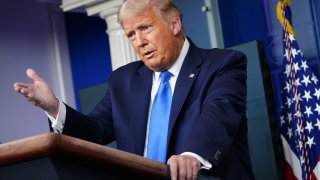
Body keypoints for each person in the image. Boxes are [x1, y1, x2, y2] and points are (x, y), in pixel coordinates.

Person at [14, 0, 255, 179]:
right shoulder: (124, 80)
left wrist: (192, 156)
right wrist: (55, 108)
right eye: (131, 34)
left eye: (145, 28)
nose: (139, 42)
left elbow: (218, 116)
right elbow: (95, 131)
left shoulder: (223, 64)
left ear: (175, 24)